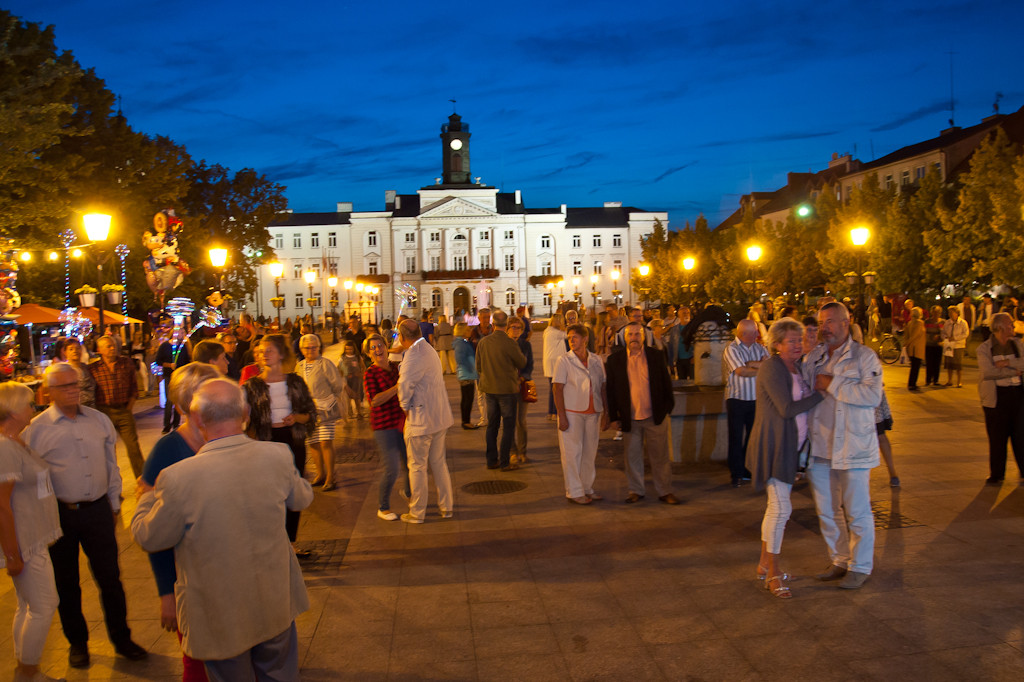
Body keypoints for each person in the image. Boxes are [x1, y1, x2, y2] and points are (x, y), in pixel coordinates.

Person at [132, 379, 313, 681]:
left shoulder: (178, 478)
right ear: (245, 413)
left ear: (199, 420)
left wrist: (147, 496)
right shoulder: (277, 455)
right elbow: (302, 497)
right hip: (275, 600)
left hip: (219, 614)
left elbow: (149, 536)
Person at [24, 363, 147, 669]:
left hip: (97, 511)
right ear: (48, 391)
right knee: (67, 583)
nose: (73, 390)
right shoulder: (36, 430)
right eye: (65, 386)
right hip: (60, 515)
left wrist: (114, 503)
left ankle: (122, 638)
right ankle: (77, 643)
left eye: (75, 385)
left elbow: (110, 462)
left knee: (110, 578)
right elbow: (30, 479)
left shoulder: (99, 420)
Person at [139, 362, 219, 682]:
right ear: (190, 401)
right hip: (189, 579)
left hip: (228, 572)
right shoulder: (168, 450)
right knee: (197, 661)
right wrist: (166, 593)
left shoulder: (224, 438)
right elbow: (155, 532)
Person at [801, 302, 883, 590]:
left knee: (857, 510)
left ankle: (860, 566)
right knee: (826, 510)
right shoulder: (814, 356)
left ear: (846, 323)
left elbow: (872, 396)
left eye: (831, 322)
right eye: (822, 322)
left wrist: (833, 384)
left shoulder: (864, 357)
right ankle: (839, 559)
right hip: (821, 446)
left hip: (852, 445)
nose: (825, 328)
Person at [746, 319, 825, 599]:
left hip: (791, 447)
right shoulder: (772, 367)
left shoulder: (797, 367)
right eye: (790, 341)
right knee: (781, 510)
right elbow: (786, 408)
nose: (796, 345)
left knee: (775, 508)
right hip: (774, 445)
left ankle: (764, 563)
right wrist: (821, 394)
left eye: (799, 339)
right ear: (777, 344)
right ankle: (773, 573)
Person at [0, 381, 63, 682]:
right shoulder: (4, 446)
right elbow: (1, 505)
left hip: (32, 536)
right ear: (11, 410)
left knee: (28, 605)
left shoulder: (15, 442)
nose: (33, 408)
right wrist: (13, 553)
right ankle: (27, 673)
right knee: (44, 604)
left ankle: (27, 671)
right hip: (25, 541)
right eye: (27, 403)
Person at [242, 335, 316, 554]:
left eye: (270, 350)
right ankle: (274, 542)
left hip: (292, 440)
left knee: (293, 490)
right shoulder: (252, 386)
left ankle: (290, 543)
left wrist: (297, 417)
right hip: (266, 442)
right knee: (270, 494)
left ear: (282, 353)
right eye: (262, 351)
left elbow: (311, 412)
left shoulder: (295, 382)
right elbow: (244, 419)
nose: (264, 354)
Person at [604, 322, 678, 505]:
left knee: (660, 456)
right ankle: (636, 490)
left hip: (655, 416)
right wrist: (614, 417)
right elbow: (611, 391)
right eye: (631, 334)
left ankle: (665, 491)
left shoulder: (656, 356)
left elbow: (666, 383)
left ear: (643, 337)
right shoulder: (615, 360)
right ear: (625, 338)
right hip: (630, 419)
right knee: (632, 457)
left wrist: (668, 407)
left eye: (638, 334)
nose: (634, 338)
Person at [397, 319, 454, 523]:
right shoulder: (428, 348)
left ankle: (417, 512)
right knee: (439, 463)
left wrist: (404, 407)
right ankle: (446, 507)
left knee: (417, 466)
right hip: (439, 416)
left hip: (421, 419)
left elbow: (404, 387)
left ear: (402, 336)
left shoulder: (413, 355)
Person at [553, 324, 608, 505]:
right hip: (572, 412)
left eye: (575, 337)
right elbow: (557, 388)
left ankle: (586, 487)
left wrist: (606, 413)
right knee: (572, 453)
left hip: (593, 412)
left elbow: (602, 387)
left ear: (585, 339)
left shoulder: (596, 360)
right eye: (569, 338)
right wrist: (561, 415)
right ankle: (574, 491)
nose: (571, 341)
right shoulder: (564, 360)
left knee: (589, 453)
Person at [363, 334, 411, 521]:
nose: (377, 350)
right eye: (373, 348)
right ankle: (383, 507)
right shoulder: (370, 373)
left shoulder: (395, 368)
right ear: (369, 354)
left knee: (410, 463)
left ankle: (409, 494)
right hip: (383, 426)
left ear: (386, 346)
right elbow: (374, 401)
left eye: (380, 345)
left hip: (401, 421)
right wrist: (396, 388)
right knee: (391, 468)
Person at [976, 312, 1024, 486]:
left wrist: (1005, 363)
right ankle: (997, 473)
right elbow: (988, 373)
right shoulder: (984, 349)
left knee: (1021, 435)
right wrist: (1014, 370)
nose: (1013, 327)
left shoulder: (1017, 344)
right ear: (1002, 327)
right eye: (1010, 324)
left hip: (1018, 394)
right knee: (997, 437)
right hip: (996, 398)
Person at [89, 335, 146, 478]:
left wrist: (129, 407)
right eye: (108, 346)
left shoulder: (126, 363)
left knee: (133, 447)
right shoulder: (94, 368)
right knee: (108, 451)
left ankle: (143, 480)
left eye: (113, 345)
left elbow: (134, 387)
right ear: (99, 350)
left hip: (123, 410)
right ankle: (112, 485)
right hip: (104, 411)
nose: (112, 348)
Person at [476, 311, 527, 471]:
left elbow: (478, 366)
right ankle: (505, 461)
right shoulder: (510, 343)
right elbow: (522, 362)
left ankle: (491, 460)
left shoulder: (483, 342)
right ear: (506, 325)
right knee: (509, 426)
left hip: (489, 390)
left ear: (493, 324)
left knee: (492, 426)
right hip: (507, 390)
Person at [296, 334, 346, 491]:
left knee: (325, 441)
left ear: (319, 348)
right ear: (302, 350)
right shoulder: (300, 366)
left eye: (314, 347)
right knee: (313, 442)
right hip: (307, 410)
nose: (310, 350)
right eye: (307, 348)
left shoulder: (326, 364)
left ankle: (331, 476)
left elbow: (337, 384)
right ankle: (320, 473)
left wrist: (330, 397)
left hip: (325, 407)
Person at [724, 319, 769, 487]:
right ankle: (736, 473)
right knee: (736, 437)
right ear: (744, 334)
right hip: (737, 398)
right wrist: (760, 366)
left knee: (752, 437)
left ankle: (747, 469)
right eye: (754, 332)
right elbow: (741, 371)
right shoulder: (732, 349)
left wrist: (753, 365)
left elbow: (769, 367)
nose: (757, 334)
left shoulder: (760, 348)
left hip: (756, 399)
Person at [507, 316, 534, 464]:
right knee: (510, 420)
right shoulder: (504, 345)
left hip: (523, 386)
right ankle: (512, 452)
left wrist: (522, 377)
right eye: (513, 327)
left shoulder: (526, 345)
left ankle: (523, 451)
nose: (516, 330)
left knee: (521, 420)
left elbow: (530, 365)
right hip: (507, 387)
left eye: (519, 328)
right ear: (508, 329)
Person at [156, 328, 192, 433]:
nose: (183, 334)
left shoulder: (183, 347)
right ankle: (166, 425)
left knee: (178, 400)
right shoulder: (165, 346)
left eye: (184, 332)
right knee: (169, 401)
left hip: (180, 377)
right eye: (181, 332)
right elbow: (158, 360)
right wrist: (168, 365)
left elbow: (187, 360)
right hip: (169, 376)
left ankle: (176, 424)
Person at [453, 322, 479, 430]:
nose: (470, 332)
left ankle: (466, 421)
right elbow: (460, 359)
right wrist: (470, 368)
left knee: (468, 398)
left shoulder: (464, 342)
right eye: (468, 330)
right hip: (466, 374)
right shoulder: (460, 343)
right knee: (467, 399)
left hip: (468, 374)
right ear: (462, 331)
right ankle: (465, 422)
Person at [56, 337, 96, 407]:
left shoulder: (87, 368)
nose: (75, 351)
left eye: (78, 348)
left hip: (92, 407)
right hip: (74, 408)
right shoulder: (63, 370)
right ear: (65, 352)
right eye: (71, 349)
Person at [542, 314, 566, 421]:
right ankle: (555, 412)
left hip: (549, 362)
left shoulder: (547, 331)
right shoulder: (556, 333)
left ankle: (551, 412)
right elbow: (568, 335)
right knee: (556, 389)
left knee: (552, 389)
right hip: (555, 362)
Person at [875, 389, 900, 487]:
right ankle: (893, 473)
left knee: (880, 436)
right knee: (881, 437)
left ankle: (892, 472)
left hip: (869, 401)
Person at [942, 306, 970, 387]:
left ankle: (959, 381)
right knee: (949, 364)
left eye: (952, 312)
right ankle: (949, 380)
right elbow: (943, 332)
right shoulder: (947, 323)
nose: (950, 314)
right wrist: (946, 338)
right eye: (949, 313)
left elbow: (965, 334)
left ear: (957, 313)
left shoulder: (963, 323)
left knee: (958, 364)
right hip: (949, 346)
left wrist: (955, 338)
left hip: (958, 345)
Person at [338, 340, 366, 419]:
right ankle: (349, 413)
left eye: (350, 349)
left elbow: (363, 367)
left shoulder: (357, 357)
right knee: (347, 398)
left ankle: (359, 412)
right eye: (347, 349)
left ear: (354, 349)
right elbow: (339, 369)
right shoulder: (342, 358)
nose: (349, 351)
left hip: (356, 380)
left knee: (357, 396)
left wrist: (361, 374)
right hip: (347, 380)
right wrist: (342, 377)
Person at [904, 307, 925, 390]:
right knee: (915, 367)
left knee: (913, 366)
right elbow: (915, 335)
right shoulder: (919, 323)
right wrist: (909, 342)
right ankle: (912, 384)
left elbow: (907, 335)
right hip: (917, 347)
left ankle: (911, 383)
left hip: (911, 348)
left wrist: (906, 343)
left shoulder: (910, 323)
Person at [924, 305, 945, 387]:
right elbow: (924, 333)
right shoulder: (927, 322)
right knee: (929, 363)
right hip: (929, 345)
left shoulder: (943, 322)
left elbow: (945, 333)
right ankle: (928, 380)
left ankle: (936, 380)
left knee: (937, 363)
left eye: (938, 312)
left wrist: (939, 337)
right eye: (935, 312)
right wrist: (931, 337)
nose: (936, 314)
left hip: (938, 345)